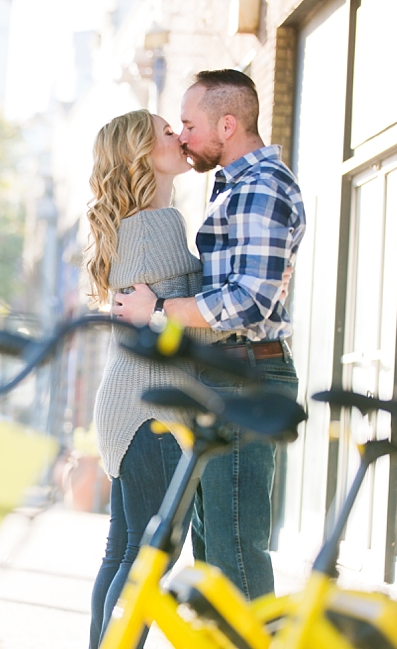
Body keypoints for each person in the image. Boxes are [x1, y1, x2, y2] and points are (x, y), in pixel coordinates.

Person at [112, 69, 306, 601]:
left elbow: (249, 299)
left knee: (232, 546)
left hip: (246, 372)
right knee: (211, 549)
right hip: (227, 373)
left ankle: (252, 637)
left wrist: (159, 310)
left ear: (227, 125)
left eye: (189, 124)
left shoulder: (262, 187)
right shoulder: (236, 187)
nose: (182, 136)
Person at [85, 109, 231, 649]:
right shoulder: (158, 225)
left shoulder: (134, 225)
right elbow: (196, 321)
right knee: (149, 558)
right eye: (167, 132)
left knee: (123, 551)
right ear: (142, 156)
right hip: (154, 412)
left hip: (127, 405)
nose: (180, 137)